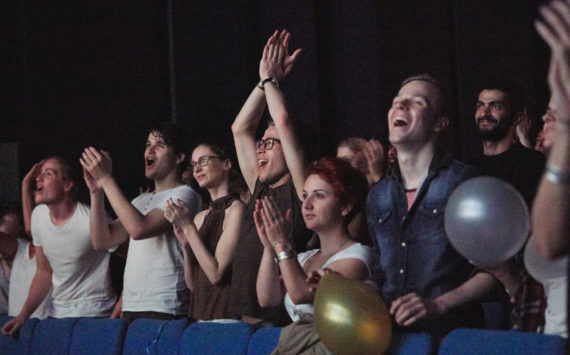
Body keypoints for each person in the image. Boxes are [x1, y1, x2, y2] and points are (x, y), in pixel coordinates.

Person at [366, 75, 499, 337]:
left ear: (440, 123)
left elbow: (495, 273)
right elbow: (380, 278)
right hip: (394, 341)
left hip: (452, 338)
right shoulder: (378, 195)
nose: (400, 107)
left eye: (416, 102)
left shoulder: (465, 182)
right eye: (396, 102)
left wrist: (438, 305)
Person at [228, 30, 312, 325]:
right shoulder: (259, 186)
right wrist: (262, 83)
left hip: (274, 320)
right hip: (242, 316)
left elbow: (285, 124)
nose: (260, 149)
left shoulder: (301, 190)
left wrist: (271, 81)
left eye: (270, 143)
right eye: (260, 143)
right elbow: (240, 129)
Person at [81, 122, 201, 322]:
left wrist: (107, 178)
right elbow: (101, 241)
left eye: (159, 145)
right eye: (148, 144)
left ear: (179, 157)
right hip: (133, 305)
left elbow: (139, 228)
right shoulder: (141, 201)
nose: (149, 149)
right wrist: (97, 193)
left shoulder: (185, 194)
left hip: (165, 306)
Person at [255, 157, 373, 354]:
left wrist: (282, 244)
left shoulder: (359, 256)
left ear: (345, 206)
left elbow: (301, 294)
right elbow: (267, 298)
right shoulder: (304, 258)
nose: (307, 204)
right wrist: (270, 246)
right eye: (305, 195)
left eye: (318, 196)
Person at [2, 157, 116, 336]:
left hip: (94, 315)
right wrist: (22, 316)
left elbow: (131, 254)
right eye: (39, 176)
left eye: (48, 174)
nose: (38, 179)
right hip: (58, 315)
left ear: (67, 185)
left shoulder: (90, 218)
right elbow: (44, 273)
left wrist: (125, 300)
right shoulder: (38, 216)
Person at [163, 143, 245, 320]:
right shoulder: (199, 217)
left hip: (225, 318)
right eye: (193, 164)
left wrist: (188, 227)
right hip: (199, 317)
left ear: (226, 164)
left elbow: (216, 275)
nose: (197, 168)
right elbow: (194, 285)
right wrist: (185, 247)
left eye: (204, 160)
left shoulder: (237, 210)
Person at [469, 83, 546, 207]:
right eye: (480, 106)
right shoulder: (468, 169)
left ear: (517, 118)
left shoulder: (533, 163)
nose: (485, 113)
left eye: (495, 106)